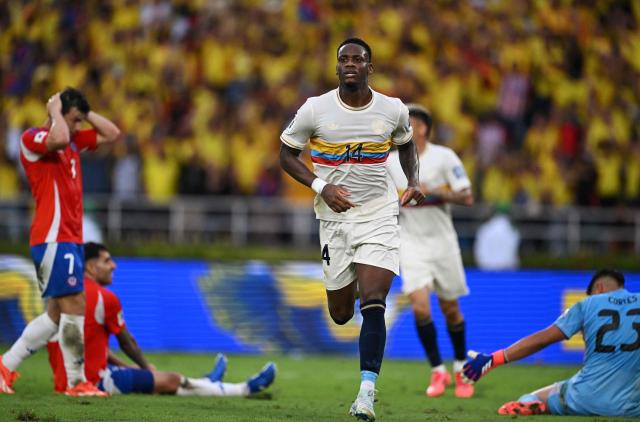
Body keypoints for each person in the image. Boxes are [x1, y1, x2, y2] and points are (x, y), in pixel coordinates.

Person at [279, 37, 424, 421]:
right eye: (344, 59)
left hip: (378, 213)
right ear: (337, 66)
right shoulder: (315, 109)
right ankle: (358, 271)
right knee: (341, 313)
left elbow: (407, 146)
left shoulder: (392, 109)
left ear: (369, 68)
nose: (350, 64)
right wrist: (320, 187)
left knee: (373, 300)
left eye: (358, 59)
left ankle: (366, 394)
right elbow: (286, 154)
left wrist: (413, 181)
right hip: (334, 219)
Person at [0, 88, 121, 396]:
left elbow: (112, 133)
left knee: (55, 314)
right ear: (58, 113)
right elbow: (58, 138)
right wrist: (56, 111)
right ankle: (76, 382)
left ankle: (5, 367)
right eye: (76, 120)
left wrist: (84, 111)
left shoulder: (72, 141)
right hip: (53, 235)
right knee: (75, 302)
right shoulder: (34, 138)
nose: (80, 128)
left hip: (69, 237)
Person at [46, 242, 277, 397]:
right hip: (94, 383)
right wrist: (146, 368)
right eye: (107, 261)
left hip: (65, 380)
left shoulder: (63, 295)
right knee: (172, 381)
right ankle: (243, 388)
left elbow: (83, 345)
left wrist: (132, 368)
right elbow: (128, 343)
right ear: (90, 266)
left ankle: (207, 382)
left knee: (161, 380)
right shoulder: (104, 297)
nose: (113, 265)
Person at [462, 269, 640, 417]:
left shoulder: (587, 304)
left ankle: (532, 404)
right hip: (631, 407)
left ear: (599, 289)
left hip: (584, 398)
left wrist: (494, 359)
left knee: (534, 395)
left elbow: (542, 339)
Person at [386, 104, 474, 399]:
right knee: (420, 306)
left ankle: (462, 367)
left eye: (411, 120)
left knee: (451, 309)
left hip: (443, 242)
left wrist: (432, 191)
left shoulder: (444, 157)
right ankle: (438, 370)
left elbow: (467, 196)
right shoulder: (390, 162)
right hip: (410, 241)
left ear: (422, 127)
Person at [473, 204, 520, 270]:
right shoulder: (513, 231)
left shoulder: (483, 229)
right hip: (506, 270)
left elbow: (478, 252)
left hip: (486, 269)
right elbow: (513, 255)